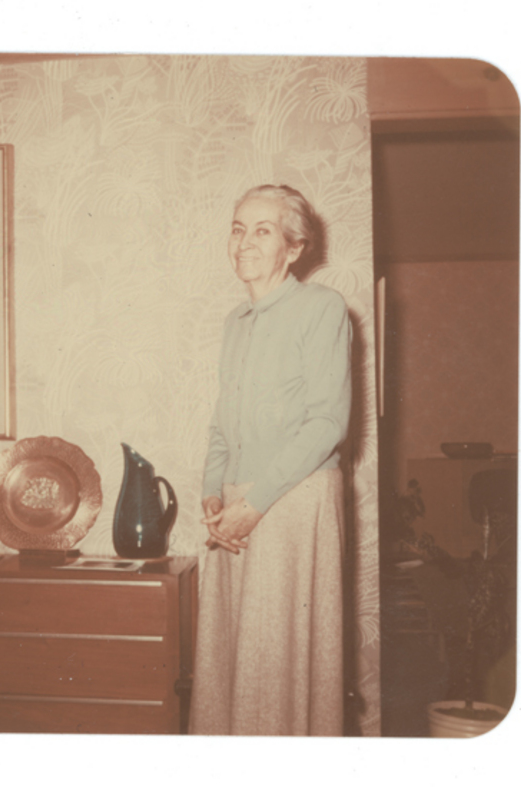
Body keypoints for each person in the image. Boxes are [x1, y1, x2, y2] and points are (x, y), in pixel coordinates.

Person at [189, 184, 352, 736]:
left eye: (262, 230)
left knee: (275, 663)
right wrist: (213, 493)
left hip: (292, 500)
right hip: (238, 508)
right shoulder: (235, 321)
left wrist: (253, 504)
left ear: (294, 247)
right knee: (234, 660)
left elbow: (327, 423)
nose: (244, 242)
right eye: (238, 229)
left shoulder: (322, 308)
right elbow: (223, 421)